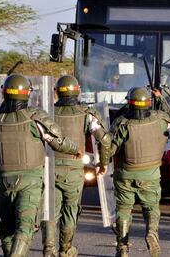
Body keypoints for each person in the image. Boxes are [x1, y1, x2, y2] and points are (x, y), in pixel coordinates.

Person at [0, 74, 81, 256]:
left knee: (7, 227)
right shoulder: (35, 117)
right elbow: (58, 141)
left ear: (4, 92)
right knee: (24, 228)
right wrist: (75, 149)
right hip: (30, 181)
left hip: (4, 181)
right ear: (27, 94)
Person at [42, 75, 112, 257]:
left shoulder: (45, 114)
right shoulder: (87, 113)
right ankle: (65, 249)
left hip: (49, 168)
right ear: (78, 91)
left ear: (56, 92)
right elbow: (104, 141)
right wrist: (103, 163)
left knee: (50, 210)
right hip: (73, 170)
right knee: (71, 210)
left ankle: (48, 249)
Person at [110, 87, 170, 257]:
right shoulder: (160, 118)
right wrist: (160, 99)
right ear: (148, 103)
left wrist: (103, 163)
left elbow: (110, 149)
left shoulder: (122, 122)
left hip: (125, 174)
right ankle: (152, 233)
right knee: (151, 209)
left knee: (124, 210)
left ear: (129, 103)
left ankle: (123, 248)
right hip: (151, 174)